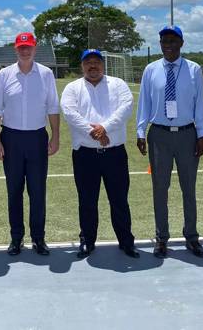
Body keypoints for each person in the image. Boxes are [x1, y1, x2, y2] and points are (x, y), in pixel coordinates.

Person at [136, 25, 203, 259]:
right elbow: (144, 102)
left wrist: (201, 134)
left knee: (188, 187)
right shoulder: (151, 69)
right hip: (159, 135)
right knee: (160, 188)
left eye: (173, 41)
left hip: (187, 134)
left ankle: (192, 236)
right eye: (164, 41)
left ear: (181, 43)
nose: (168, 45)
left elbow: (199, 104)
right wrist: (140, 131)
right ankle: (161, 238)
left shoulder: (194, 69)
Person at [60, 49, 139, 259]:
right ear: (82, 66)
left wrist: (104, 128)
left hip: (114, 154)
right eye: (88, 63)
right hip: (85, 155)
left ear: (103, 65)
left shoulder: (118, 84)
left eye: (96, 62)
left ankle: (126, 241)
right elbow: (70, 113)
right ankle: (87, 241)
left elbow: (126, 108)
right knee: (87, 200)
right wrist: (93, 132)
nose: (92, 66)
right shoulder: (72, 88)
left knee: (119, 199)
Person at [0, 32, 60, 256]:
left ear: (35, 48)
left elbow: (52, 107)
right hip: (11, 138)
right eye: (21, 47)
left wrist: (55, 135)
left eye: (28, 46)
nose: (25, 50)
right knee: (14, 191)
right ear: (15, 49)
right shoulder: (4, 75)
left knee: (37, 191)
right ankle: (16, 238)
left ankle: (38, 238)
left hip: (37, 137)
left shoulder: (46, 74)